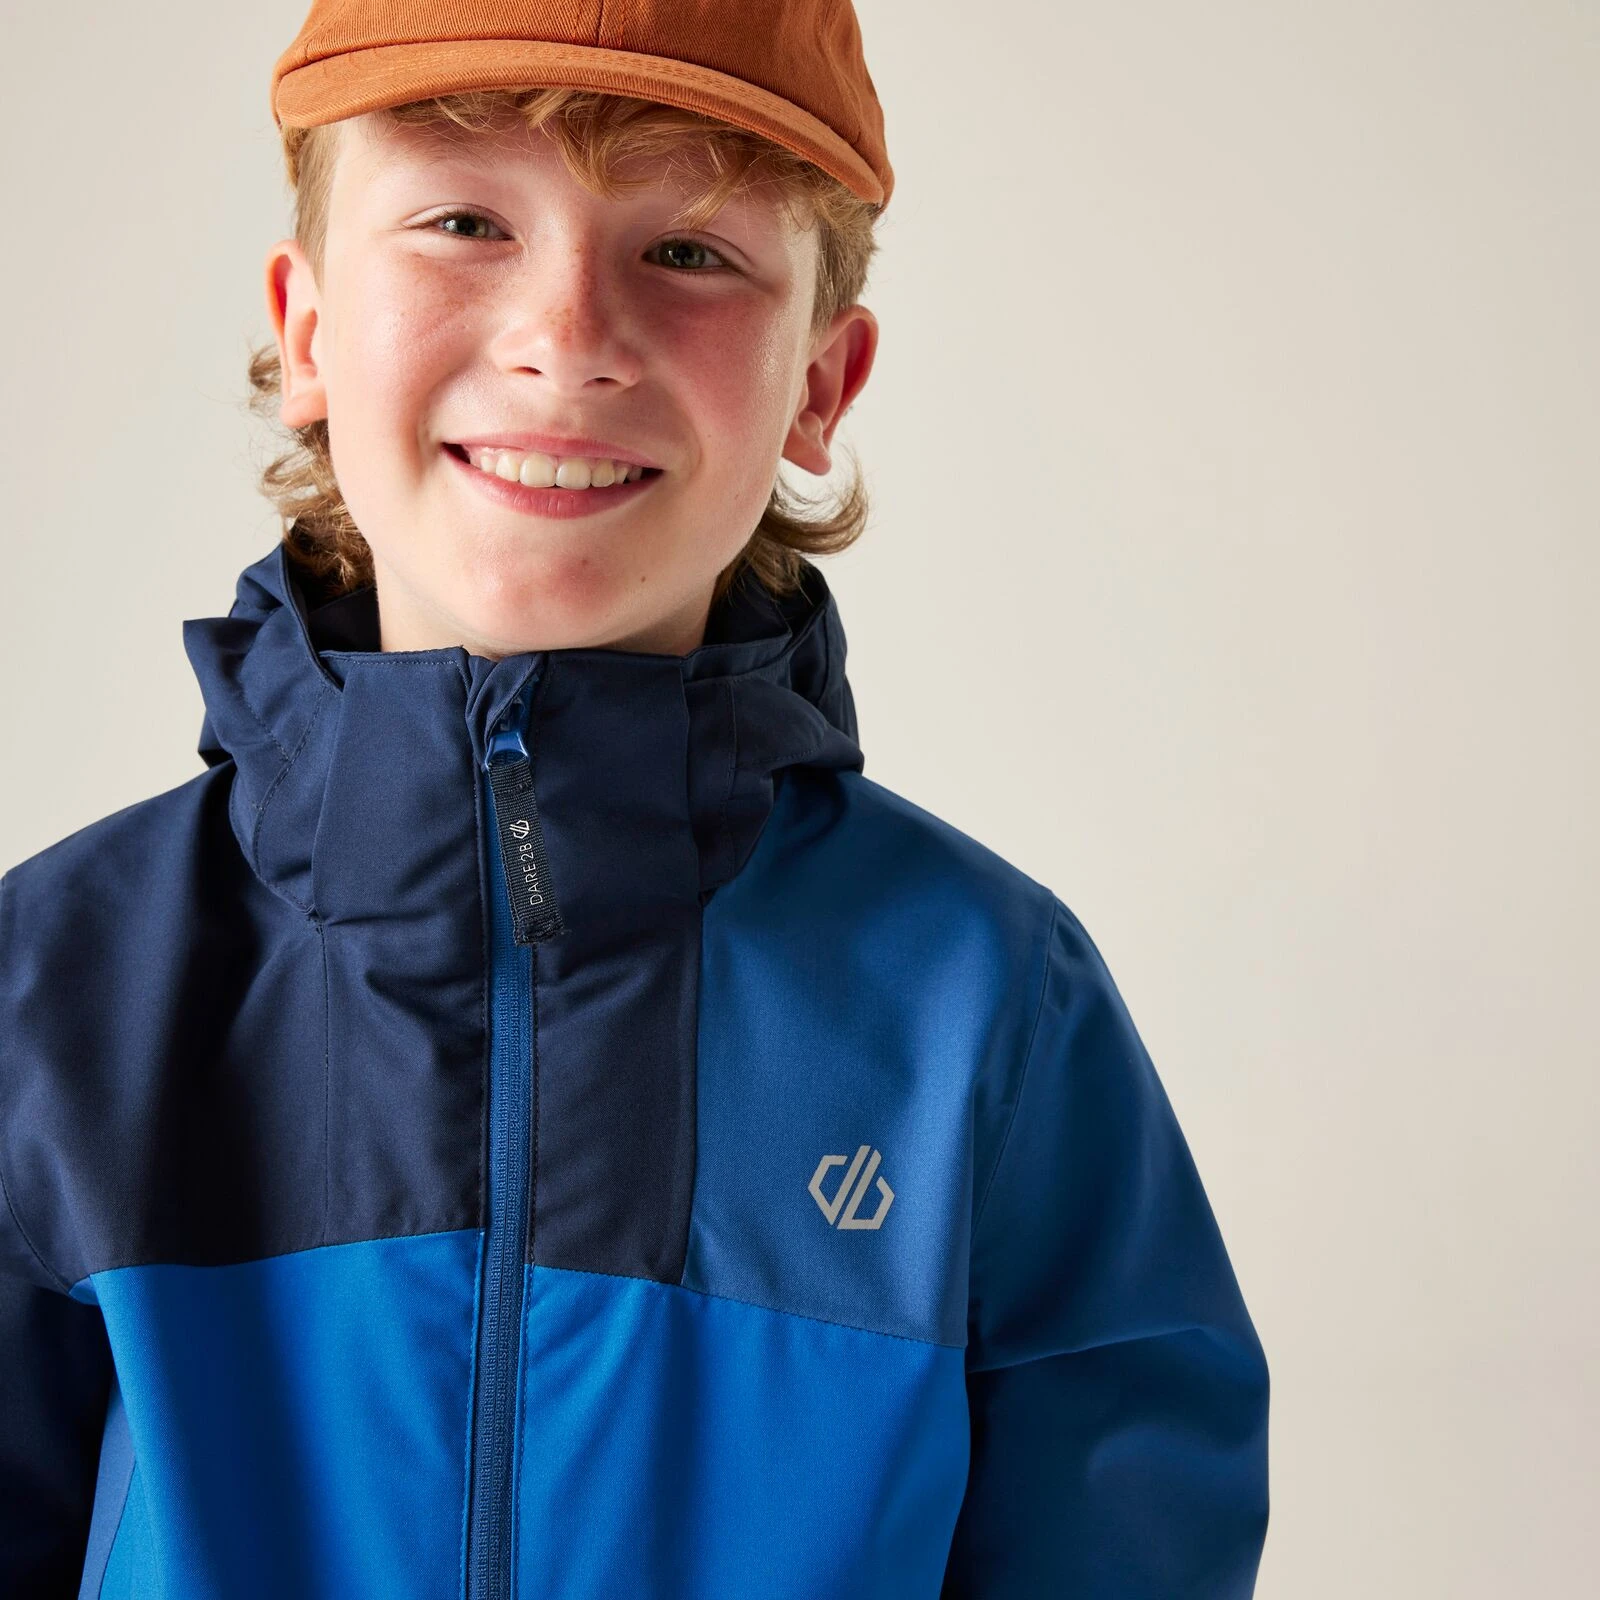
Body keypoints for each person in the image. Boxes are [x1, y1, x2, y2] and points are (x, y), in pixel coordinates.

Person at [0, 1, 1270, 1594]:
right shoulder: (57, 987)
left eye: (687, 252)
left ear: (820, 383)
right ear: (308, 328)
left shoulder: (986, 1011)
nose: (568, 336)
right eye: (464, 224)